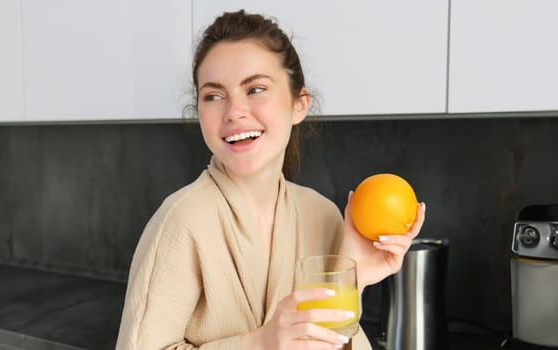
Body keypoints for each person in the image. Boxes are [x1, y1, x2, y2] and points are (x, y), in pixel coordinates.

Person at [117, 10, 425, 350]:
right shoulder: (181, 222)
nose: (234, 110)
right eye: (214, 95)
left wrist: (355, 275)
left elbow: (325, 340)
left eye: (256, 88)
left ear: (299, 104)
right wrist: (260, 343)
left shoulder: (320, 214)